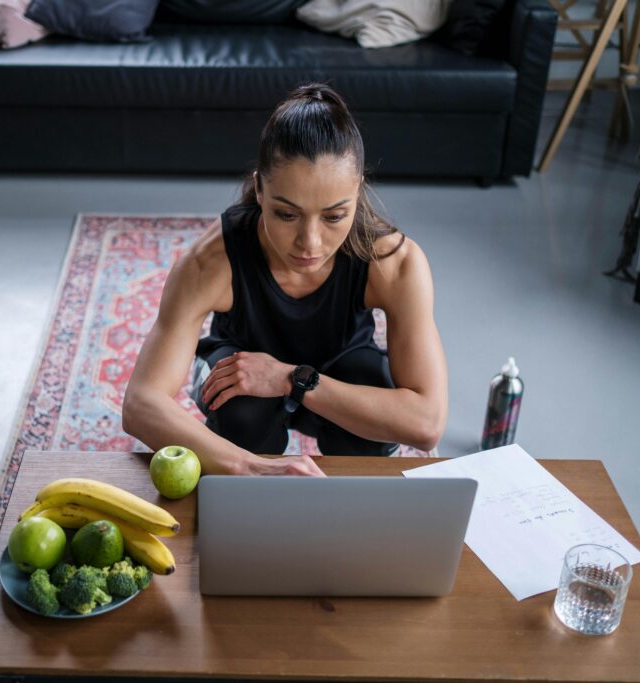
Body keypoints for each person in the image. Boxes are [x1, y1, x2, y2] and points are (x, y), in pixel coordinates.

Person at [123, 83, 447, 477]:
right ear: (259, 189)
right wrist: (250, 468)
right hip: (243, 371)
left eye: (333, 216)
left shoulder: (395, 263)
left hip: (339, 372)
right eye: (286, 214)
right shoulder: (210, 262)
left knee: (372, 391)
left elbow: (427, 425)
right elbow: (141, 403)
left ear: (356, 191)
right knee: (238, 408)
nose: (310, 243)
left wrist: (290, 379)